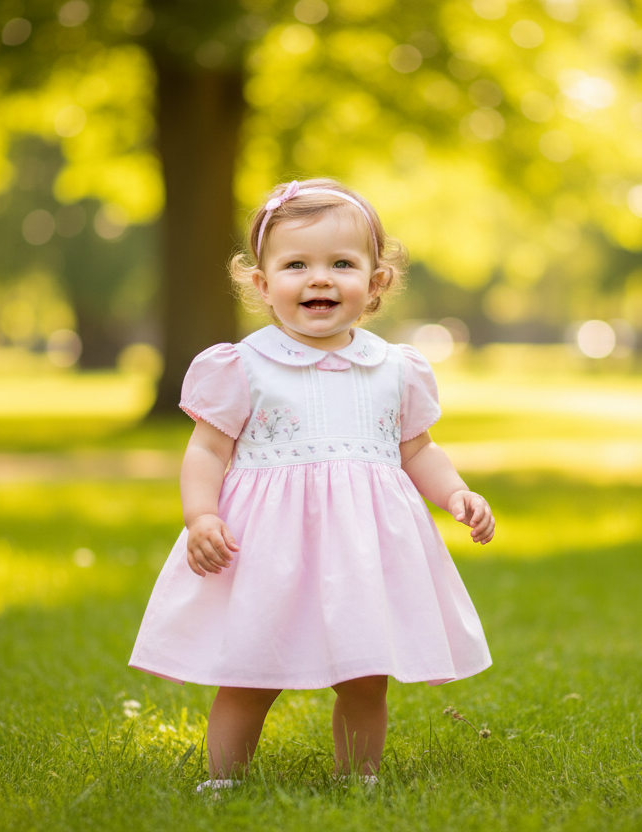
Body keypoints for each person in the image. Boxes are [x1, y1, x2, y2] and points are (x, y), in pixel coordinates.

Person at [129, 178, 494, 792]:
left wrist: (455, 493)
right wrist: (200, 516)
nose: (319, 279)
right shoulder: (242, 366)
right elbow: (206, 451)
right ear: (262, 284)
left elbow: (419, 450)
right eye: (296, 264)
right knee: (250, 670)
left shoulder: (394, 369)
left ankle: (360, 779)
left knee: (364, 669)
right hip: (268, 549)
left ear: (375, 283)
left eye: (342, 264)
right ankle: (224, 780)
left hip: (363, 552)